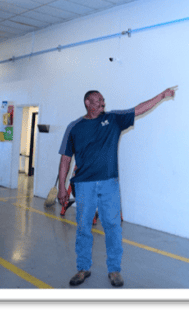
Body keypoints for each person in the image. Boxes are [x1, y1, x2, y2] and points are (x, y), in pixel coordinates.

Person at [57, 86, 177, 287]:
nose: (103, 103)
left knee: (113, 227)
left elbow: (138, 109)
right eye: (98, 100)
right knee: (84, 227)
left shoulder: (112, 120)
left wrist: (161, 96)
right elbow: (65, 159)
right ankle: (83, 268)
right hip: (84, 185)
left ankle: (114, 270)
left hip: (109, 184)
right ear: (87, 103)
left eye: (103, 100)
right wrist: (62, 187)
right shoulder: (74, 127)